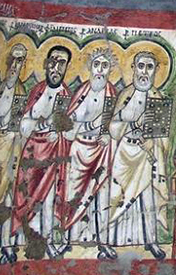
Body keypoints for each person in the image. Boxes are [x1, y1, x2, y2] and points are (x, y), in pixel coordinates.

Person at [11, 46, 72, 258]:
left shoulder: (66, 95)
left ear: (67, 67)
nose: (56, 67)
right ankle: (23, 241)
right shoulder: (37, 91)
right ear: (46, 64)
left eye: (62, 63)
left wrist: (59, 133)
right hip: (32, 153)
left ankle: (47, 241)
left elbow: (68, 127)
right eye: (53, 61)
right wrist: (42, 125)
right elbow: (24, 124)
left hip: (53, 154)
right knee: (26, 196)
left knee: (48, 200)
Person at [107, 51, 170, 259]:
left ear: (156, 71)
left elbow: (164, 139)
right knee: (117, 196)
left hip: (146, 156)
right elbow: (113, 127)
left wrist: (152, 141)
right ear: (134, 68)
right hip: (125, 153)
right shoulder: (125, 95)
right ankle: (110, 241)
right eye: (141, 66)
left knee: (147, 199)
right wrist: (128, 124)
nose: (144, 72)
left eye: (149, 67)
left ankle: (151, 241)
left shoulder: (158, 98)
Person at [63, 49, 118, 259]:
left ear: (110, 70)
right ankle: (69, 240)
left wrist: (109, 135)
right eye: (97, 65)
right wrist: (89, 125)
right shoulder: (81, 93)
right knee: (74, 194)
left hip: (102, 152)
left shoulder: (113, 95)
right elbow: (69, 126)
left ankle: (102, 242)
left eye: (105, 66)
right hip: (79, 149)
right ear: (90, 67)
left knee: (102, 198)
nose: (100, 70)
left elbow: (118, 124)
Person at [0, 44, 27, 264]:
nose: (14, 66)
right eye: (13, 60)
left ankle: (6, 245)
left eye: (20, 62)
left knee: (8, 195)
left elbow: (19, 126)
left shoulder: (21, 91)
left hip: (10, 150)